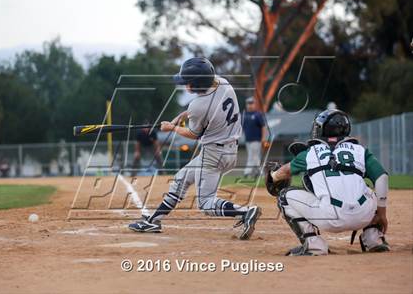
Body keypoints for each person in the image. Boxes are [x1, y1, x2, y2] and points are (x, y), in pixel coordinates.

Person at [129, 57, 262, 240]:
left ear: (198, 84)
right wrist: (182, 115)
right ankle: (154, 220)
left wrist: (172, 128)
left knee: (206, 204)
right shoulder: (223, 83)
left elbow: (193, 133)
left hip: (214, 154)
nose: (185, 86)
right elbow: (199, 112)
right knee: (181, 179)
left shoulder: (198, 105)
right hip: (229, 149)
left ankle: (246, 212)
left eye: (188, 83)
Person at [265, 109, 390, 256]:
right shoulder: (360, 150)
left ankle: (314, 245)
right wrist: (382, 213)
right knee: (368, 190)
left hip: (330, 217)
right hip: (363, 215)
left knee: (284, 196)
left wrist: (272, 176)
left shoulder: (310, 152)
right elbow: (382, 178)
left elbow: (284, 172)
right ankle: (373, 239)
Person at [242, 97, 268, 178]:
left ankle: (248, 172)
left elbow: (263, 127)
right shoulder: (244, 115)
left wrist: (263, 138)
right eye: (248, 104)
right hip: (248, 140)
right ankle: (258, 173)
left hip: (256, 139)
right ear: (246, 105)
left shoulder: (257, 114)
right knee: (253, 156)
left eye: (251, 103)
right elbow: (241, 127)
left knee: (253, 156)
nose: (250, 105)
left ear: (254, 104)